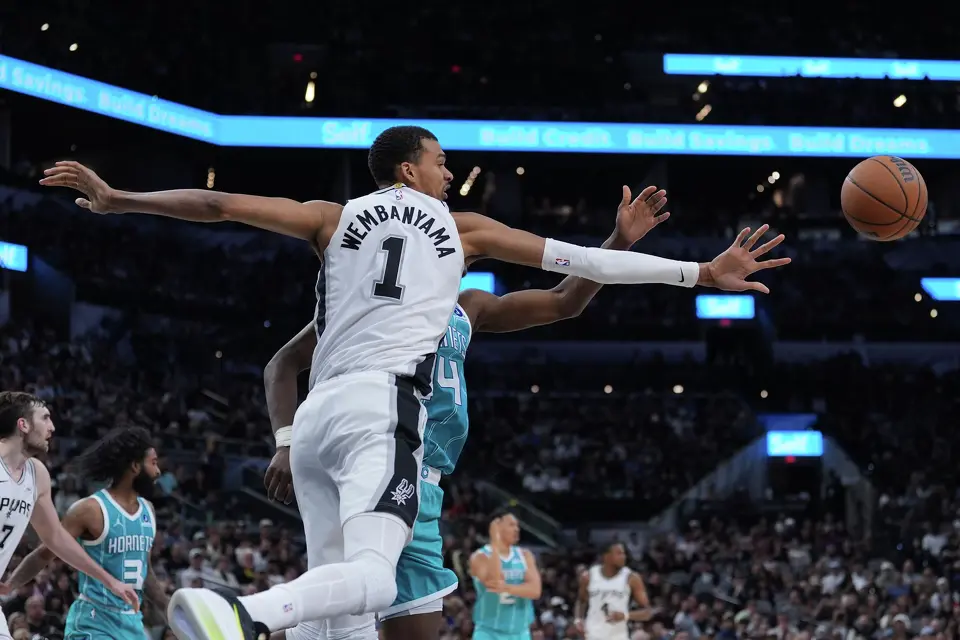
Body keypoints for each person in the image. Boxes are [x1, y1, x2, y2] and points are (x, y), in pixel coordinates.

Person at [39, 126, 789, 640]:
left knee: (340, 614)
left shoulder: (335, 223)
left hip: (324, 417)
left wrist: (120, 200)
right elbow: (580, 265)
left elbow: (219, 205)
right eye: (440, 162)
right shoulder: (461, 229)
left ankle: (259, 615)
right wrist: (698, 272)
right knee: (369, 581)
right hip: (385, 420)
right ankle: (243, 613)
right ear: (410, 171)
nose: (449, 173)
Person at [262, 184, 671, 640]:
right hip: (378, 454)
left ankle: (246, 621)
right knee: (334, 624)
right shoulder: (370, 310)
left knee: (368, 628)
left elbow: (564, 301)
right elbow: (282, 365)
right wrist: (286, 442)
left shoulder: (469, 308)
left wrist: (619, 242)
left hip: (427, 481)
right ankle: (245, 619)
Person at [0, 392, 140, 638]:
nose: (52, 427)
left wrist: (110, 581)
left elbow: (56, 537)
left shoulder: (37, 475)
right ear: (23, 425)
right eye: (45, 418)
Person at [469, 510, 540, 640]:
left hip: (521, 633)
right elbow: (494, 580)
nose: (517, 529)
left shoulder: (525, 555)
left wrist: (506, 588)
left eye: (517, 525)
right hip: (488, 633)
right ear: (495, 526)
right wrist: (495, 543)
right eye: (511, 525)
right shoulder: (480, 557)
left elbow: (535, 590)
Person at [574, 542, 654, 640]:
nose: (624, 557)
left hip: (618, 636)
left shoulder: (631, 578)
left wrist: (624, 615)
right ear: (607, 556)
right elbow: (581, 600)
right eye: (619, 554)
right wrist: (578, 619)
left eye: (624, 553)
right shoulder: (588, 576)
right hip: (592, 635)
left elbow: (647, 613)